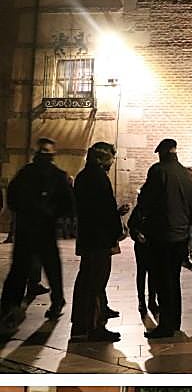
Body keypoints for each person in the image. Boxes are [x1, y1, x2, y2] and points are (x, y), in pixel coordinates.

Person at [2, 138, 73, 323]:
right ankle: (11, 305)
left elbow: (67, 202)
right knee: (20, 269)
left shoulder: (55, 176)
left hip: (43, 229)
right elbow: (13, 197)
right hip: (29, 229)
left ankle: (56, 301)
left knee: (50, 268)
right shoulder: (28, 174)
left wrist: (51, 213)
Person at [138, 139, 192, 339]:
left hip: (162, 235)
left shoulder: (158, 171)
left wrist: (138, 222)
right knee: (174, 279)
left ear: (163, 153)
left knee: (162, 280)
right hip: (181, 235)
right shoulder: (186, 173)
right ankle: (175, 321)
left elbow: (147, 199)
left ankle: (165, 325)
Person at [69, 142, 125, 342]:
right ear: (102, 158)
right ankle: (93, 327)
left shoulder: (84, 177)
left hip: (89, 237)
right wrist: (117, 231)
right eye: (110, 157)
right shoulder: (98, 178)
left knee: (86, 281)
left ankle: (81, 323)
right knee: (95, 282)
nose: (112, 162)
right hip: (98, 240)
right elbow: (104, 211)